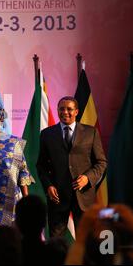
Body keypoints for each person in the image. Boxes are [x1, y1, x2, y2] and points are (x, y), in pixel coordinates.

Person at [37, 96, 107, 238]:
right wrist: (48, 185)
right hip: (57, 197)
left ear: (76, 112)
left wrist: (87, 178)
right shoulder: (47, 134)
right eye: (61, 109)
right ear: (57, 110)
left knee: (86, 241)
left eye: (69, 109)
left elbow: (101, 163)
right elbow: (41, 165)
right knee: (56, 243)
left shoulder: (90, 132)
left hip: (84, 196)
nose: (65, 112)